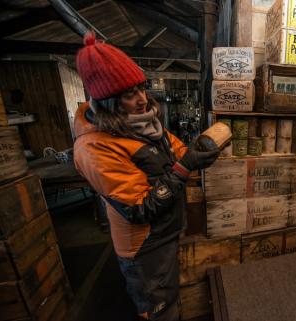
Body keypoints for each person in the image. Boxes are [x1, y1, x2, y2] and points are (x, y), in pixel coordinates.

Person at [73, 32, 219, 320]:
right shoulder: (94, 147)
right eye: (130, 95)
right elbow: (141, 208)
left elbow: (175, 150)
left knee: (172, 299)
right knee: (159, 310)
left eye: (142, 88)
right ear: (108, 102)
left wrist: (196, 154)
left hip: (166, 232)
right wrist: (184, 166)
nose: (142, 100)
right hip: (144, 245)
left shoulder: (144, 125)